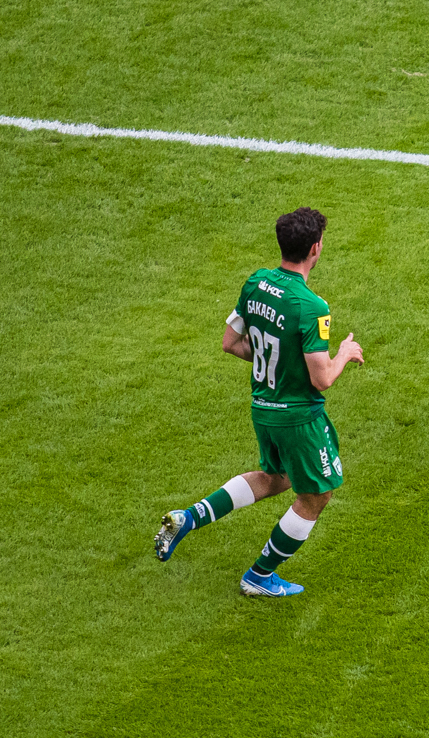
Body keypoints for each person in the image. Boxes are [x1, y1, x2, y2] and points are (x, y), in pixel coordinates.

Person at [153, 207, 364, 597]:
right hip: (298, 418)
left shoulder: (256, 284)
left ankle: (188, 518)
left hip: (263, 408)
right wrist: (345, 353)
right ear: (315, 248)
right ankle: (259, 576)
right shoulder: (312, 306)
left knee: (276, 477)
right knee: (316, 495)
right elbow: (322, 378)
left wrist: (276, 360)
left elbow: (230, 343)